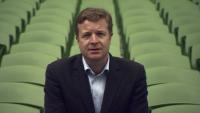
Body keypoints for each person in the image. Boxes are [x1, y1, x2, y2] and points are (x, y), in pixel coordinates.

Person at [44, 7, 148, 113]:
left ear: (110, 37)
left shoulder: (134, 73)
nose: (94, 41)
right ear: (78, 40)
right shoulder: (57, 73)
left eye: (100, 34)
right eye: (87, 35)